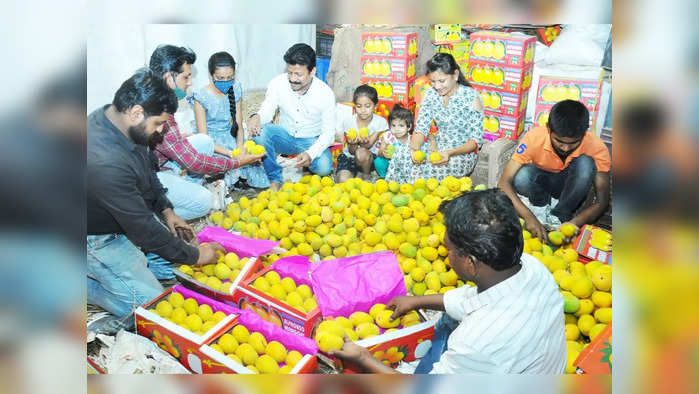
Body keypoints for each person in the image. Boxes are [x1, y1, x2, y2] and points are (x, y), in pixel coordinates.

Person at [330, 189, 566, 374]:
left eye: (449, 249)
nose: (446, 253)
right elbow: (471, 299)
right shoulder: (531, 267)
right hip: (532, 367)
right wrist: (415, 301)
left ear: (471, 262)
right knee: (447, 320)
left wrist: (363, 357)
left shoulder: (478, 341)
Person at [87, 69, 224, 335]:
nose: (161, 131)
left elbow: (146, 172)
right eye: (159, 123)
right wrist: (196, 257)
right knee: (152, 307)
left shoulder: (119, 121)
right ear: (137, 112)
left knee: (163, 259)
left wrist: (167, 210)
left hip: (118, 219)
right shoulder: (104, 160)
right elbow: (143, 229)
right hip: (95, 237)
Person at [149, 45, 262, 221]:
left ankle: (183, 189)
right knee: (205, 201)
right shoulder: (157, 109)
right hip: (146, 176)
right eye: (186, 77)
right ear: (168, 77)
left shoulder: (157, 97)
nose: (190, 82)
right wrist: (235, 162)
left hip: (159, 164)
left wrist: (237, 150)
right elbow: (194, 162)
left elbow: (176, 145)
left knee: (203, 142)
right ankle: (153, 217)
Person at [498, 100, 611, 240]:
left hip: (571, 187)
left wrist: (575, 223)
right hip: (543, 182)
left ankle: (560, 215)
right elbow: (504, 182)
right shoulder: (534, 137)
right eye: (559, 141)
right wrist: (529, 217)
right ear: (548, 129)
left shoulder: (597, 147)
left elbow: (602, 201)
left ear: (584, 134)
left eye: (573, 143)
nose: (565, 148)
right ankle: (541, 207)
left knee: (586, 164)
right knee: (522, 176)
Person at [248, 43, 336, 191]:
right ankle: (275, 179)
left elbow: (329, 133)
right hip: (285, 136)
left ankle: (304, 164)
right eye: (290, 73)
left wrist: (310, 153)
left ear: (312, 71)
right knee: (261, 133)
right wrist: (256, 117)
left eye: (298, 75)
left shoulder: (325, 94)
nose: (292, 79)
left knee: (324, 167)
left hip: (309, 140)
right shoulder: (278, 83)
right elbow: (268, 109)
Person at [386, 53, 483, 184]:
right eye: (433, 81)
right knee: (400, 154)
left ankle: (418, 195)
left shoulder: (471, 97)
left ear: (455, 75)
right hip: (437, 148)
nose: (437, 86)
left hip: (461, 155)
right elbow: (421, 128)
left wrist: (450, 153)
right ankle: (395, 193)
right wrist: (414, 149)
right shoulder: (431, 94)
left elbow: (475, 142)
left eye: (442, 81)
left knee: (430, 168)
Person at [193, 51, 268, 189]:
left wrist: (239, 147)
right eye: (220, 78)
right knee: (224, 167)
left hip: (231, 135)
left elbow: (238, 123)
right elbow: (204, 138)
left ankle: (240, 176)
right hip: (212, 142)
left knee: (256, 169)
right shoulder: (201, 97)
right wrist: (229, 153)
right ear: (211, 75)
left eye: (230, 77)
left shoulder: (236, 88)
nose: (225, 82)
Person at [336, 84, 388, 182]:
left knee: (361, 153)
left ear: (375, 106)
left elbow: (368, 145)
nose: (363, 110)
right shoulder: (348, 121)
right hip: (350, 157)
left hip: (368, 159)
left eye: (367, 106)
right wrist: (352, 143)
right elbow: (351, 151)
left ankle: (366, 175)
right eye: (359, 106)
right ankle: (353, 173)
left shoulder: (380, 122)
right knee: (343, 180)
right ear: (354, 105)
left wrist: (364, 142)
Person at [374, 105, 413, 179]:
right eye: (393, 125)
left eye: (401, 126)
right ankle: (384, 176)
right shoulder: (388, 136)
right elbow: (380, 152)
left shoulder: (411, 139)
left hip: (403, 164)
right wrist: (384, 153)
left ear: (409, 127)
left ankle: (405, 177)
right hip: (389, 162)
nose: (396, 129)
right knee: (378, 161)